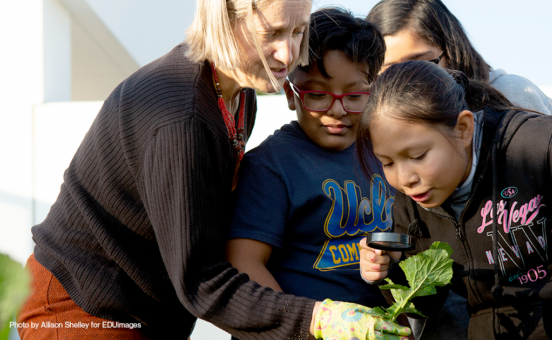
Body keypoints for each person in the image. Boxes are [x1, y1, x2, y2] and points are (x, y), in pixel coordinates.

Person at [16, 0, 410, 339]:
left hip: (147, 313)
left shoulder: (241, 92)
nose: (289, 55)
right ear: (225, 18)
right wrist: (319, 319)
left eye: (297, 32)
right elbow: (202, 281)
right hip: (83, 306)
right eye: (271, 33)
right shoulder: (182, 118)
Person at [357, 61, 552, 339]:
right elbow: (428, 304)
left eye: (418, 156)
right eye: (387, 163)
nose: (405, 178)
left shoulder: (542, 148)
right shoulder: (411, 204)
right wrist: (386, 272)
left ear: (463, 128)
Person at [226, 7, 393, 310]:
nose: (337, 110)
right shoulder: (271, 167)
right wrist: (307, 325)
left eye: (355, 97)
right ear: (291, 94)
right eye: (317, 95)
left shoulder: (389, 153)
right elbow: (244, 263)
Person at [366, 0, 552, 117]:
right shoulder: (372, 122)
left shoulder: (512, 94)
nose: (405, 80)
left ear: (450, 55)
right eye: (389, 70)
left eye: (419, 64)